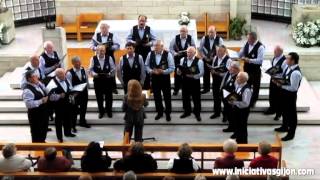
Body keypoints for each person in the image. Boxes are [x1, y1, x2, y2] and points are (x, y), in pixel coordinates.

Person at [274, 52, 302, 141]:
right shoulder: (288, 67)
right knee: (284, 111)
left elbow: (293, 88)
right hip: (284, 93)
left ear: (293, 61)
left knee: (292, 114)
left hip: (290, 96)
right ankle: (284, 126)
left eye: (288, 58)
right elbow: (285, 79)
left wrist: (280, 85)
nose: (286, 60)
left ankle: (291, 133)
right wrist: (277, 79)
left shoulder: (296, 73)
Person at [145, 40, 175, 121]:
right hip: (155, 79)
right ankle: (159, 112)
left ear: (162, 47)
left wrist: (163, 71)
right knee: (157, 97)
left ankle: (168, 113)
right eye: (155, 46)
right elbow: (146, 65)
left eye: (157, 46)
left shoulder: (168, 54)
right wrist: (151, 71)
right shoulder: (150, 54)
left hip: (165, 79)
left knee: (167, 97)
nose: (155, 47)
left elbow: (172, 68)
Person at [127, 15, 156, 90]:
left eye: (143, 21)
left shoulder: (149, 29)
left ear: (146, 21)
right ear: (138, 21)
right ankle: (136, 87)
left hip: (146, 51)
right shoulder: (133, 29)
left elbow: (154, 40)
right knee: (137, 68)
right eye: (140, 20)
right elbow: (128, 39)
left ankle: (147, 87)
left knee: (146, 68)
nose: (142, 22)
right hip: (136, 51)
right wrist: (134, 42)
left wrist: (149, 44)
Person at [91, 23, 121, 94]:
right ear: (100, 29)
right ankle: (100, 87)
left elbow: (118, 45)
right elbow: (91, 45)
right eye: (102, 28)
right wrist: (97, 48)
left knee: (112, 70)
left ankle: (113, 87)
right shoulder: (96, 35)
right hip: (99, 57)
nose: (104, 29)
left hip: (109, 55)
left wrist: (111, 47)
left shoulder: (112, 35)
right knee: (99, 70)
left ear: (108, 28)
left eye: (105, 28)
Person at [177, 47, 204, 121]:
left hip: (194, 82)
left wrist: (194, 76)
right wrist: (178, 72)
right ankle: (187, 112)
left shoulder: (199, 61)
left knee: (196, 98)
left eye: (190, 52)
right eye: (188, 52)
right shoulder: (182, 60)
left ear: (194, 53)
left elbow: (202, 73)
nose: (188, 54)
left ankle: (197, 113)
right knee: (185, 97)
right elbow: (179, 70)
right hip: (185, 81)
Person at [49, 68, 76, 143]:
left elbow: (70, 88)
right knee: (59, 122)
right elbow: (50, 97)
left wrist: (73, 94)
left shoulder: (66, 79)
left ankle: (68, 133)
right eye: (62, 74)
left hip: (67, 103)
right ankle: (59, 137)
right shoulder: (52, 82)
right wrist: (59, 96)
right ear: (57, 75)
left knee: (68, 119)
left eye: (64, 73)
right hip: (58, 105)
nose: (64, 75)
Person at [89, 45, 116, 119]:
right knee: (99, 98)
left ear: (105, 51)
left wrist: (110, 74)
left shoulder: (109, 58)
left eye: (103, 50)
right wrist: (94, 74)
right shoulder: (93, 59)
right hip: (98, 82)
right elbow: (90, 70)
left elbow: (113, 69)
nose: (101, 52)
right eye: (99, 50)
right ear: (96, 51)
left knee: (109, 97)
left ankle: (109, 111)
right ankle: (101, 111)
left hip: (108, 81)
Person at [22, 70, 49, 142]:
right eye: (35, 76)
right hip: (35, 115)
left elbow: (46, 91)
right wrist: (41, 101)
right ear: (29, 79)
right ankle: (37, 146)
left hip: (43, 113)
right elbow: (29, 104)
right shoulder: (27, 90)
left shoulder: (38, 85)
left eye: (37, 75)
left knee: (43, 130)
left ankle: (42, 142)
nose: (37, 77)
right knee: (37, 133)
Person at [238, 32, 265, 107]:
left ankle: (253, 101)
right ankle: (247, 99)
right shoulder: (247, 43)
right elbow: (242, 52)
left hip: (255, 70)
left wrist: (249, 60)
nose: (247, 40)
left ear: (253, 39)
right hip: (247, 69)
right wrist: (240, 55)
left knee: (256, 86)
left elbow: (260, 60)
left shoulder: (260, 47)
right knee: (247, 85)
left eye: (249, 39)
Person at [170, 25, 196, 95]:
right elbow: (171, 48)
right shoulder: (175, 38)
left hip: (188, 58)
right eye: (181, 31)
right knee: (177, 74)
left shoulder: (190, 38)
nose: (182, 33)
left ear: (187, 32)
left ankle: (188, 89)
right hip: (178, 58)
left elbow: (194, 47)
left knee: (188, 72)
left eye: (184, 31)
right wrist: (175, 53)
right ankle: (176, 89)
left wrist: (190, 52)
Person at [66, 56, 91, 130]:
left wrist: (87, 89)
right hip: (75, 95)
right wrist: (73, 93)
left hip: (84, 93)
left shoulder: (84, 69)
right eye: (77, 62)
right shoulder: (69, 73)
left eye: (80, 61)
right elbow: (69, 85)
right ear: (73, 63)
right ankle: (73, 126)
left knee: (83, 108)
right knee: (74, 110)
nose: (79, 63)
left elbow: (86, 80)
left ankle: (82, 122)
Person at [199, 25, 224, 94]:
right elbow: (200, 50)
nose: (210, 34)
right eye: (209, 32)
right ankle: (206, 89)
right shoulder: (204, 38)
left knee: (215, 76)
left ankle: (215, 89)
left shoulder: (220, 40)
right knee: (205, 75)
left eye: (212, 32)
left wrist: (215, 58)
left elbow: (222, 51)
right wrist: (204, 57)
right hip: (206, 60)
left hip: (215, 61)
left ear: (215, 32)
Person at [228, 72, 252, 144]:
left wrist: (234, 103)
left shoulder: (246, 90)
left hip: (243, 111)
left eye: (238, 77)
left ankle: (243, 143)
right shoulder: (239, 85)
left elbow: (246, 103)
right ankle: (238, 140)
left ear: (243, 79)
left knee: (242, 127)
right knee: (238, 126)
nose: (236, 78)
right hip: (238, 110)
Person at [264, 46, 287, 121]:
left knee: (278, 97)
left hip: (279, 80)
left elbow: (284, 73)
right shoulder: (274, 58)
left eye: (275, 51)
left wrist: (277, 78)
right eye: (274, 51)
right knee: (272, 95)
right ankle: (272, 109)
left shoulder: (284, 61)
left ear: (280, 52)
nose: (274, 53)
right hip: (273, 79)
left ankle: (278, 113)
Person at [209, 45, 231, 119]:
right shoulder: (215, 57)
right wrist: (212, 71)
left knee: (225, 99)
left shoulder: (228, 60)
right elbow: (213, 67)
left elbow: (229, 73)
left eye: (220, 51)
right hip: (215, 81)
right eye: (217, 51)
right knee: (216, 97)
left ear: (224, 51)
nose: (218, 52)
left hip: (224, 82)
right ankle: (217, 112)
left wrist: (219, 73)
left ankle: (225, 115)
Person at [220, 61, 240, 128]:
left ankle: (232, 127)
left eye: (232, 68)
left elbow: (237, 91)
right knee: (228, 112)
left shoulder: (238, 77)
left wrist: (231, 101)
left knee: (231, 114)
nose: (229, 69)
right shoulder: (230, 73)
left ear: (237, 69)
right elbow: (224, 82)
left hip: (231, 100)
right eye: (230, 67)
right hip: (225, 97)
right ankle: (230, 125)